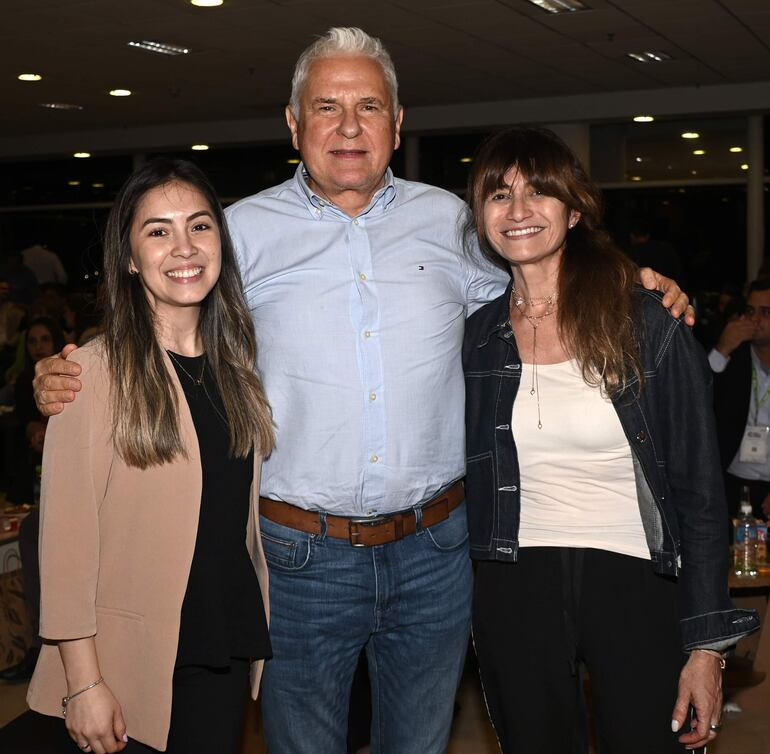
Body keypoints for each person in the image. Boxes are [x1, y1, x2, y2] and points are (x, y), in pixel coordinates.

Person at [33, 28, 693, 754]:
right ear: (293, 125)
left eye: (369, 106)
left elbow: (542, 272)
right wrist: (67, 373)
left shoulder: (453, 223)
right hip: (297, 560)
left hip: (437, 553)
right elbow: (160, 317)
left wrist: (638, 283)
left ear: (398, 124)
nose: (349, 127)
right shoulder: (238, 234)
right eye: (327, 106)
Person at [461, 126, 759, 754]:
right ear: (480, 215)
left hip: (634, 578)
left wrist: (706, 647)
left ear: (573, 210)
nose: (517, 211)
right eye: (499, 195)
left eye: (538, 193)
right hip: (515, 580)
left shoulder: (647, 323)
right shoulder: (477, 337)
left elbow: (700, 494)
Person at [26, 159, 274, 754]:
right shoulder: (90, 373)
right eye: (158, 231)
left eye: (200, 226)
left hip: (221, 642)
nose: (183, 247)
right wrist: (82, 681)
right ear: (130, 258)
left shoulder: (236, 367)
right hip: (127, 665)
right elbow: (64, 545)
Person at [710, 278, 770, 520]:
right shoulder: (735, 357)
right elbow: (698, 402)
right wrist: (722, 349)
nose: (755, 320)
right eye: (750, 311)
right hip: (733, 483)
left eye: (766, 312)